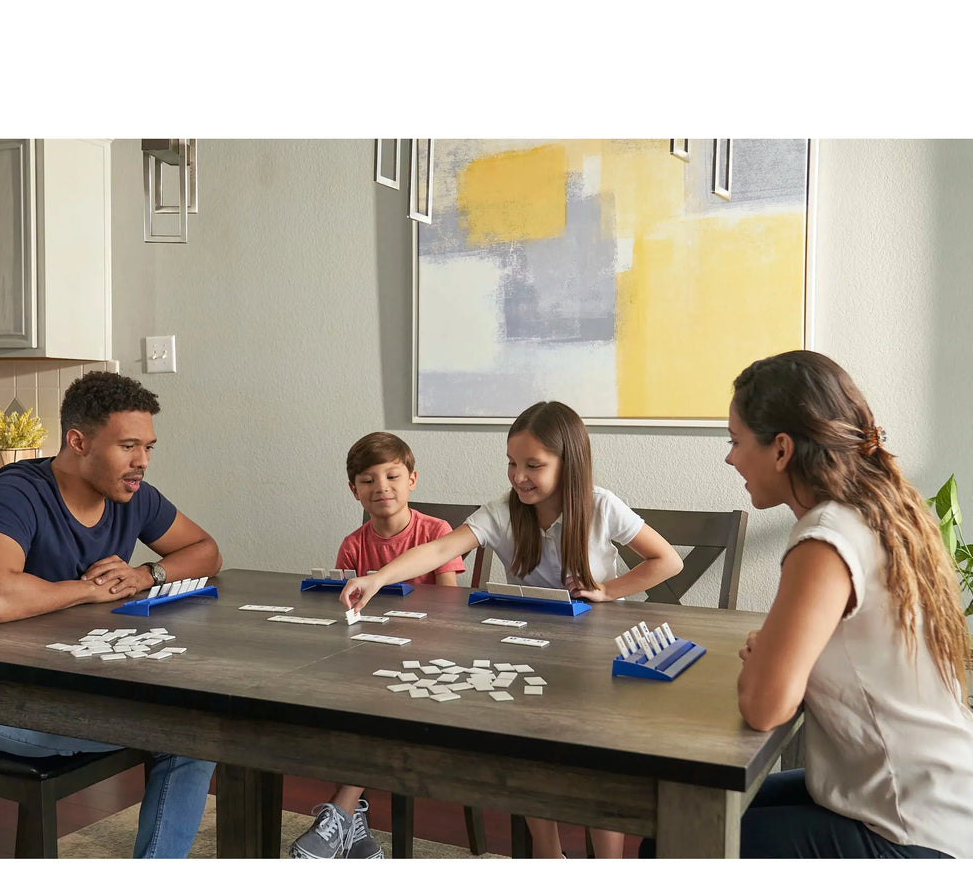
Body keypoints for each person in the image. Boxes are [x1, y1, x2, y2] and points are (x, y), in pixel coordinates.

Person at [340, 402, 683, 858]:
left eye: (533, 466)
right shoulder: (504, 510)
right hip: (527, 648)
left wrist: (607, 590)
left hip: (596, 653)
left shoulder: (600, 505)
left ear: (570, 463)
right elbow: (441, 547)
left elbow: (667, 560)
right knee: (524, 747)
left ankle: (608, 860)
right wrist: (379, 576)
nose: (519, 476)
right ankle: (547, 851)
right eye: (512, 463)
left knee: (596, 761)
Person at [669, 348, 973, 858]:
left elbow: (764, 707)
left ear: (781, 449)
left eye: (736, 441)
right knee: (687, 809)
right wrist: (777, 658)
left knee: (675, 841)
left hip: (911, 829)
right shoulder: (881, 510)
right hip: (935, 793)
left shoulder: (825, 537)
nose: (730, 457)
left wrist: (767, 664)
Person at [0, 371, 222, 859]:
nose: (141, 462)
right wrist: (86, 590)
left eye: (149, 447)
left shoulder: (131, 495)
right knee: (192, 734)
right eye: (128, 446)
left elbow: (206, 551)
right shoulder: (16, 492)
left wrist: (148, 574)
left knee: (198, 727)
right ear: (78, 441)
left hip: (71, 686)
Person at [289, 431, 465, 859]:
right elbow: (347, 610)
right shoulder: (354, 543)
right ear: (354, 490)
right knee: (337, 694)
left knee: (374, 703)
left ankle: (342, 812)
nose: (381, 487)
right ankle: (353, 824)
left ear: (412, 480)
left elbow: (450, 605)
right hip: (372, 655)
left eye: (392, 476)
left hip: (427, 656)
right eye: (368, 480)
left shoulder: (436, 531)